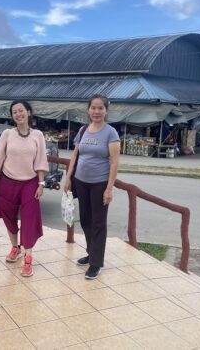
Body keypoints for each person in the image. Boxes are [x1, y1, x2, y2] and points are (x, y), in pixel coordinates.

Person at [0, 100, 49, 277]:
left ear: (29, 112)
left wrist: (41, 183)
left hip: (30, 183)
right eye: (14, 112)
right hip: (7, 181)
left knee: (30, 218)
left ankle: (28, 256)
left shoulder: (38, 135)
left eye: (21, 111)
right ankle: (15, 247)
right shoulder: (7, 134)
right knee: (9, 216)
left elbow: (40, 161)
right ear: (12, 116)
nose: (18, 114)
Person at [64, 94, 120, 280]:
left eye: (100, 108)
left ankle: (96, 263)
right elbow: (75, 156)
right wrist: (68, 177)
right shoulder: (83, 130)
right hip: (81, 181)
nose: (96, 111)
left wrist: (109, 188)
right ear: (88, 110)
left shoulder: (111, 132)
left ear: (106, 110)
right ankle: (91, 253)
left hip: (99, 183)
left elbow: (114, 162)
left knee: (98, 223)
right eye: (93, 108)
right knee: (86, 220)